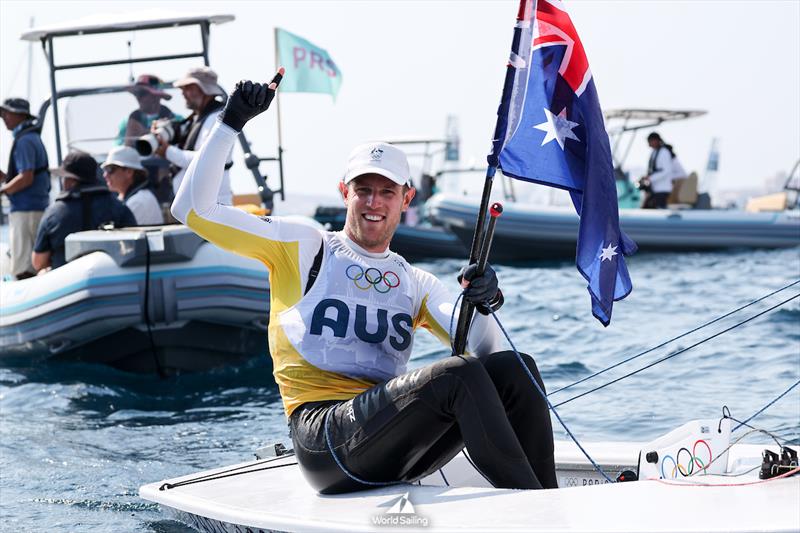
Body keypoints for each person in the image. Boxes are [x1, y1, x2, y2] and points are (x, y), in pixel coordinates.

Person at [171, 72, 557, 495]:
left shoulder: (416, 281)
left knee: (516, 368)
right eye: (363, 190)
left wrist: (485, 300)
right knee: (456, 376)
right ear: (344, 193)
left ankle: (548, 499)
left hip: (394, 446)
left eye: (387, 192)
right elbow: (192, 208)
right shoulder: (303, 244)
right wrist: (230, 123)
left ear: (406, 199)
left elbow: (487, 353)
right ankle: (532, 506)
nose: (374, 202)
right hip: (325, 442)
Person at [32, 151, 136, 272]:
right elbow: (135, 250)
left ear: (71, 181)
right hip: (112, 281)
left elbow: (38, 262)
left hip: (68, 285)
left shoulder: (53, 213)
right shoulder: (120, 208)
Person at [156, 67, 233, 205]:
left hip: (211, 208)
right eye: (183, 89)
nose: (183, 93)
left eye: (189, 88)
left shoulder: (217, 119)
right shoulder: (200, 118)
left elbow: (204, 159)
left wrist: (167, 151)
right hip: (200, 208)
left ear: (205, 90)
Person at [0, 98, 50, 280]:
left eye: (7, 113)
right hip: (33, 208)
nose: (3, 117)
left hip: (26, 210)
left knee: (24, 267)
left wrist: (3, 189)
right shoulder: (31, 137)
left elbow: (26, 178)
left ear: (20, 115)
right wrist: (6, 179)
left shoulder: (25, 140)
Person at [101, 146, 164, 225]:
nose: (105, 175)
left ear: (129, 172)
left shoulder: (138, 201)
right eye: (105, 169)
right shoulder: (137, 197)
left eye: (110, 169)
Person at [116, 74, 178, 146]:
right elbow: (118, 148)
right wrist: (131, 140)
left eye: (143, 93)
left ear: (156, 96)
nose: (138, 97)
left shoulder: (177, 119)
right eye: (137, 93)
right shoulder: (125, 123)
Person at [639, 132, 685, 209]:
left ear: (656, 140)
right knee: (647, 208)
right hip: (654, 189)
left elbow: (666, 170)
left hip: (662, 189)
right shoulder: (654, 152)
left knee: (658, 209)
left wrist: (650, 178)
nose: (649, 144)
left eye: (650, 141)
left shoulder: (664, 152)